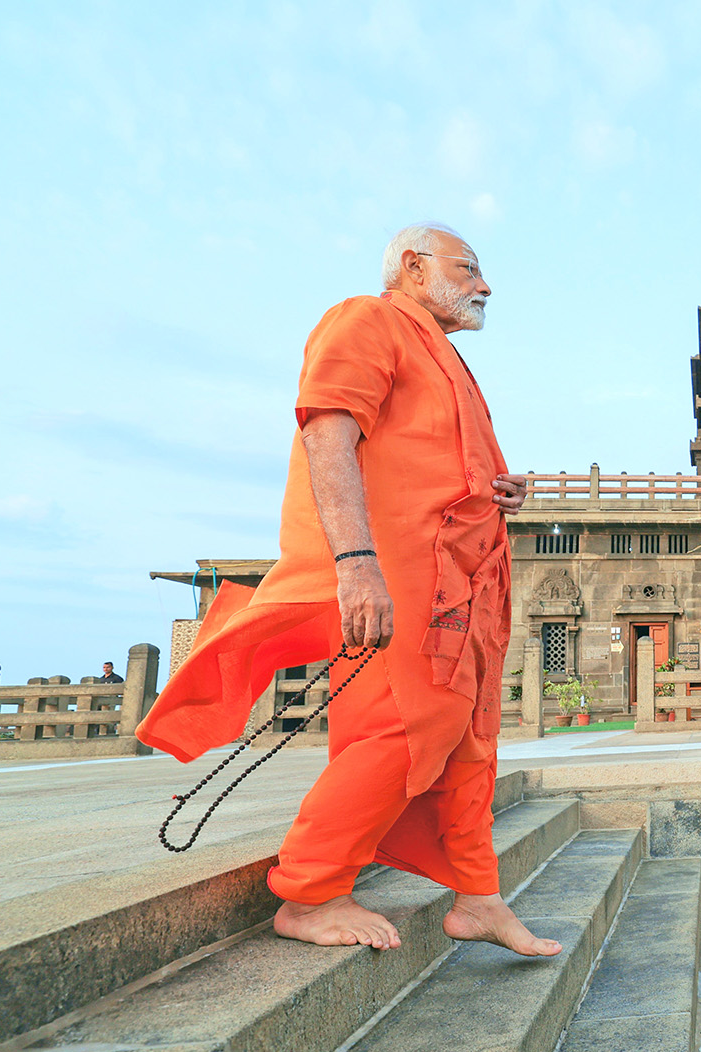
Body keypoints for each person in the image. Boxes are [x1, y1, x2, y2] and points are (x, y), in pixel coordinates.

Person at [139, 224, 559, 957]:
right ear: (412, 265)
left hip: (460, 584)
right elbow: (327, 434)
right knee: (400, 731)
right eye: (467, 268)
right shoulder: (368, 320)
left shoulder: (446, 358)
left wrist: (494, 489)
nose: (484, 285)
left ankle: (478, 896)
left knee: (468, 739)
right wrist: (356, 561)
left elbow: (428, 461)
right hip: (395, 573)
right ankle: (309, 891)